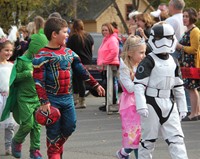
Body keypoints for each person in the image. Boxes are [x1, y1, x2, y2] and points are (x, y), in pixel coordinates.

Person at [32, 17, 105, 159]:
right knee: (53, 132)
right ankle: (53, 152)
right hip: (51, 100)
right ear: (54, 34)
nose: (67, 35)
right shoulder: (42, 55)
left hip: (67, 98)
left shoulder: (69, 53)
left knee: (70, 126)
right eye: (65, 32)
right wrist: (44, 101)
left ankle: (55, 147)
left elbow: (81, 69)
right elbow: (38, 81)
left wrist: (95, 84)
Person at [133, 22, 188, 159]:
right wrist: (141, 105)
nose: (163, 42)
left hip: (169, 102)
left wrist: (182, 107)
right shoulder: (149, 60)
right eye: (159, 38)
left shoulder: (173, 61)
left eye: (167, 38)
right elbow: (139, 85)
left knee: (177, 139)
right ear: (153, 39)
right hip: (151, 102)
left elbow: (178, 85)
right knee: (148, 141)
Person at [2, 15, 48, 159]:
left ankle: (34, 150)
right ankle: (17, 140)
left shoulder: (41, 61)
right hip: (24, 98)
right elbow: (14, 78)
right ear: (33, 47)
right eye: (39, 50)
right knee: (27, 124)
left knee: (37, 126)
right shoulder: (21, 61)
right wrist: (27, 74)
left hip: (37, 98)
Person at [116, 35, 146, 159]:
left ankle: (123, 152)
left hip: (142, 102)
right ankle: (127, 153)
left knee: (141, 135)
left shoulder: (141, 65)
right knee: (134, 136)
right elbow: (129, 88)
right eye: (141, 53)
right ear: (130, 53)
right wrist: (143, 83)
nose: (144, 55)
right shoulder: (125, 68)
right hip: (130, 105)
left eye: (145, 52)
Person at [176, 8, 200, 121]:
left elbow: (194, 49)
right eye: (183, 16)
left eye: (187, 16)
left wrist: (181, 47)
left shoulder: (195, 31)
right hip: (187, 63)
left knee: (192, 89)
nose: (184, 18)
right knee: (192, 89)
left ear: (192, 17)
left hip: (192, 64)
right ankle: (196, 112)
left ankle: (194, 113)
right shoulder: (187, 30)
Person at [67, 19, 94, 109]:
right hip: (87, 60)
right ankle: (80, 99)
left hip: (77, 60)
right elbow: (92, 48)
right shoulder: (88, 35)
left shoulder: (73, 37)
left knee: (77, 80)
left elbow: (68, 50)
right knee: (81, 80)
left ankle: (79, 100)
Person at [0, 33, 17, 156]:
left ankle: (8, 146)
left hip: (9, 97)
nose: (9, 53)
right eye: (6, 50)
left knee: (9, 125)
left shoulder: (12, 66)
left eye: (11, 50)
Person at [97, 22, 120, 112]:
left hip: (110, 65)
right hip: (105, 66)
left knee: (110, 85)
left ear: (110, 30)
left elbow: (114, 52)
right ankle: (107, 103)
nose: (104, 32)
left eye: (106, 30)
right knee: (107, 85)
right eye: (103, 30)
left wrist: (105, 61)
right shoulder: (105, 39)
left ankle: (111, 103)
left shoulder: (112, 39)